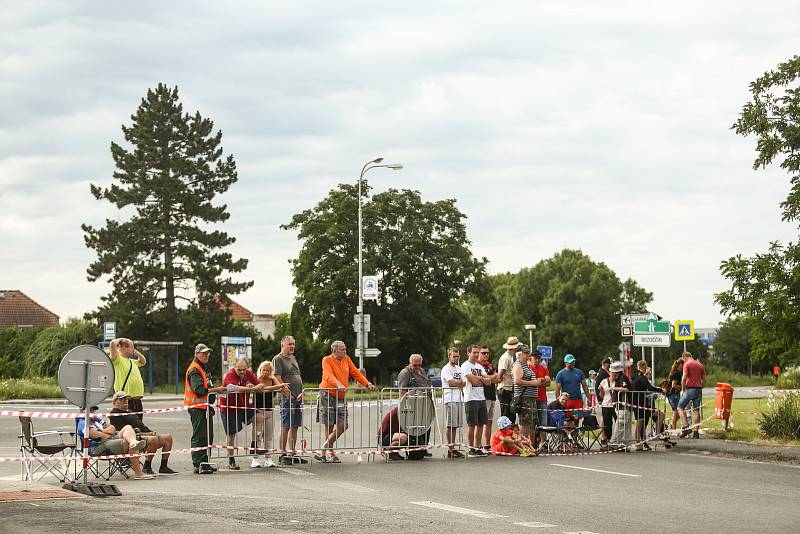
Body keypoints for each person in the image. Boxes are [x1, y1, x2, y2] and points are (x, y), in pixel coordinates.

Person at [316, 340, 376, 463]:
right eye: (342, 349)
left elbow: (355, 373)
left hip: (341, 396)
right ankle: (331, 454)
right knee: (329, 424)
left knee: (343, 425)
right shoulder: (326, 360)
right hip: (327, 394)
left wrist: (367, 383)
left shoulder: (346, 359)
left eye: (345, 349)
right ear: (335, 350)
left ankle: (323, 449)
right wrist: (338, 384)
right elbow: (328, 375)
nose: (345, 351)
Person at [109, 390, 177, 475]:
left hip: (146, 434)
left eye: (126, 399)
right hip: (134, 439)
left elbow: (141, 425)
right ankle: (147, 467)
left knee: (168, 438)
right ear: (115, 402)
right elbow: (124, 433)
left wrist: (150, 431)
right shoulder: (115, 414)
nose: (125, 401)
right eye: (122, 400)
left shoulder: (129, 411)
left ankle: (163, 467)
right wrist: (147, 434)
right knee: (153, 439)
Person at [77, 406, 152, 480]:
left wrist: (101, 430)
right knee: (128, 442)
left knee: (128, 427)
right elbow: (98, 435)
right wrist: (106, 432)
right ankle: (138, 473)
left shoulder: (97, 420)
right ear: (82, 411)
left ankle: (133, 442)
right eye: (90, 410)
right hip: (97, 447)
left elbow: (112, 428)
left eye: (93, 410)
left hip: (110, 439)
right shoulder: (83, 423)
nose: (93, 412)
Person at [185, 343, 226, 474]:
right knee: (199, 436)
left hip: (205, 406)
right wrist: (216, 390)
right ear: (196, 354)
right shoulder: (195, 369)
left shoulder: (204, 368)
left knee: (208, 435)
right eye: (203, 353)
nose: (206, 355)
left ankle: (205, 461)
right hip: (197, 407)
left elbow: (207, 385)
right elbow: (199, 390)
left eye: (207, 353)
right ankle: (198, 463)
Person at [219, 357, 262, 470]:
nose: (242, 372)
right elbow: (234, 388)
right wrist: (249, 388)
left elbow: (259, 384)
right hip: (229, 408)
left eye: (244, 369)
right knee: (231, 435)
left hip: (243, 406)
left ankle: (254, 445)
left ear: (247, 367)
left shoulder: (249, 373)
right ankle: (231, 460)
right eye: (239, 370)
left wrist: (256, 386)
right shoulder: (229, 375)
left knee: (259, 417)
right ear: (235, 367)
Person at [271, 335, 306, 465]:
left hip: (297, 396)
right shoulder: (278, 359)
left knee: (295, 425)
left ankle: (292, 452)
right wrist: (284, 390)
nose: (292, 346)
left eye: (293, 344)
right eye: (289, 344)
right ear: (282, 345)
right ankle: (283, 453)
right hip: (287, 397)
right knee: (286, 425)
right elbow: (276, 376)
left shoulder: (293, 358)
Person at [252, 360, 291, 468]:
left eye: (267, 370)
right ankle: (255, 458)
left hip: (269, 410)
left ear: (271, 371)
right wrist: (279, 386)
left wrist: (275, 379)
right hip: (258, 411)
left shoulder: (272, 380)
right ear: (260, 370)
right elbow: (263, 389)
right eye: (263, 370)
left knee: (268, 436)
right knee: (257, 435)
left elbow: (282, 388)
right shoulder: (257, 380)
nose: (265, 372)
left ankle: (268, 458)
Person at [396, 353, 433, 456]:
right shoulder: (405, 373)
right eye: (415, 365)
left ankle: (423, 448)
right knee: (413, 427)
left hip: (424, 403)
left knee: (426, 425)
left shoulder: (422, 371)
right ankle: (413, 450)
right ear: (410, 363)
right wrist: (411, 399)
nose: (417, 367)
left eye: (419, 365)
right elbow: (402, 391)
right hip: (412, 404)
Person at [461, 344, 494, 457]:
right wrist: (482, 379)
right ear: (468, 353)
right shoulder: (465, 366)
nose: (476, 354)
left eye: (477, 352)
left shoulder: (479, 367)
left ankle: (478, 446)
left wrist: (480, 379)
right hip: (471, 398)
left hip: (481, 397)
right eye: (474, 352)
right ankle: (471, 448)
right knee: (472, 425)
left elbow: (489, 381)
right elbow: (474, 382)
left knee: (481, 424)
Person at [630, 360, 667, 451]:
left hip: (637, 403)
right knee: (639, 424)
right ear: (644, 367)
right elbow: (649, 387)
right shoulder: (641, 377)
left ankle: (641, 442)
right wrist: (661, 390)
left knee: (641, 423)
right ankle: (639, 443)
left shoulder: (634, 375)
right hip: (640, 403)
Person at [109, 338, 147, 420]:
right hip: (126, 400)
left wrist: (137, 353)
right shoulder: (118, 359)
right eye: (132, 347)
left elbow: (143, 362)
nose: (133, 349)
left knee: (138, 424)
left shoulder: (132, 361)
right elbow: (112, 344)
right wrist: (122, 340)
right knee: (130, 424)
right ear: (124, 348)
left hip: (137, 399)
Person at [511, 345, 541, 446]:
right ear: (519, 354)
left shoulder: (526, 364)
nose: (528, 354)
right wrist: (534, 383)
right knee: (524, 423)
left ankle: (529, 444)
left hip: (530, 398)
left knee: (530, 423)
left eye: (528, 352)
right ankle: (522, 445)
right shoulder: (518, 365)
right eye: (526, 353)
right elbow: (517, 381)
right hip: (524, 398)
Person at [441, 347, 465, 458]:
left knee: (455, 425)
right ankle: (450, 449)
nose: (456, 358)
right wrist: (459, 383)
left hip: (458, 398)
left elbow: (464, 383)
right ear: (449, 356)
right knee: (450, 425)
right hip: (449, 398)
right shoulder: (446, 369)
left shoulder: (459, 368)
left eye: (457, 356)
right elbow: (451, 383)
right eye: (454, 356)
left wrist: (459, 383)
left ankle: (453, 448)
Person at [598, 362, 629, 450]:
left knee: (619, 423)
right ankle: (609, 440)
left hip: (616, 405)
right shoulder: (604, 381)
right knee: (607, 424)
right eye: (611, 373)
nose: (612, 374)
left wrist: (613, 388)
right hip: (606, 405)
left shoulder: (618, 381)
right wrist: (601, 390)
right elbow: (601, 395)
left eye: (613, 373)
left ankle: (617, 442)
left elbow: (624, 388)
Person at [678, 351, 706, 438]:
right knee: (696, 410)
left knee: (680, 407)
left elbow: (684, 377)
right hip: (698, 390)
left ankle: (686, 427)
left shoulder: (687, 364)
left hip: (690, 389)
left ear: (685, 357)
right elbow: (705, 379)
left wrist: (683, 389)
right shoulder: (700, 365)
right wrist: (701, 387)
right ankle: (696, 432)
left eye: (684, 360)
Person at [477, 346, 498, 450]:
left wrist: (490, 378)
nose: (486, 355)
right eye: (483, 353)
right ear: (479, 354)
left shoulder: (490, 365)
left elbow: (497, 379)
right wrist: (491, 377)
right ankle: (478, 444)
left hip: (492, 395)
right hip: (483, 396)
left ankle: (487, 444)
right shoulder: (477, 365)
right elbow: (482, 379)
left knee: (489, 421)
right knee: (481, 422)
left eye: (487, 353)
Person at [496, 337, 520, 422]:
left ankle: (509, 434)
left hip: (509, 389)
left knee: (511, 416)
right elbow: (500, 375)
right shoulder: (506, 358)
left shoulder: (510, 357)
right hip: (505, 389)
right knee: (506, 417)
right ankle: (505, 434)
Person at [530, 349, 551, 445]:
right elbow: (531, 382)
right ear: (531, 358)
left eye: (539, 357)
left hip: (542, 398)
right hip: (532, 398)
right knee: (532, 422)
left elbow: (548, 382)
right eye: (536, 358)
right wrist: (541, 381)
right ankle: (532, 442)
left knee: (543, 422)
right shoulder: (528, 367)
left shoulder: (544, 368)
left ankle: (544, 442)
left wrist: (538, 381)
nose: (538, 359)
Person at [666, 357, 684, 430]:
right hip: (673, 394)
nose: (684, 367)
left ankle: (671, 425)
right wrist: (682, 387)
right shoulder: (676, 373)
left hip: (672, 394)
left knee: (678, 412)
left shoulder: (674, 372)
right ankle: (673, 429)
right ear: (680, 365)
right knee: (676, 412)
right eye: (683, 365)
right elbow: (674, 385)